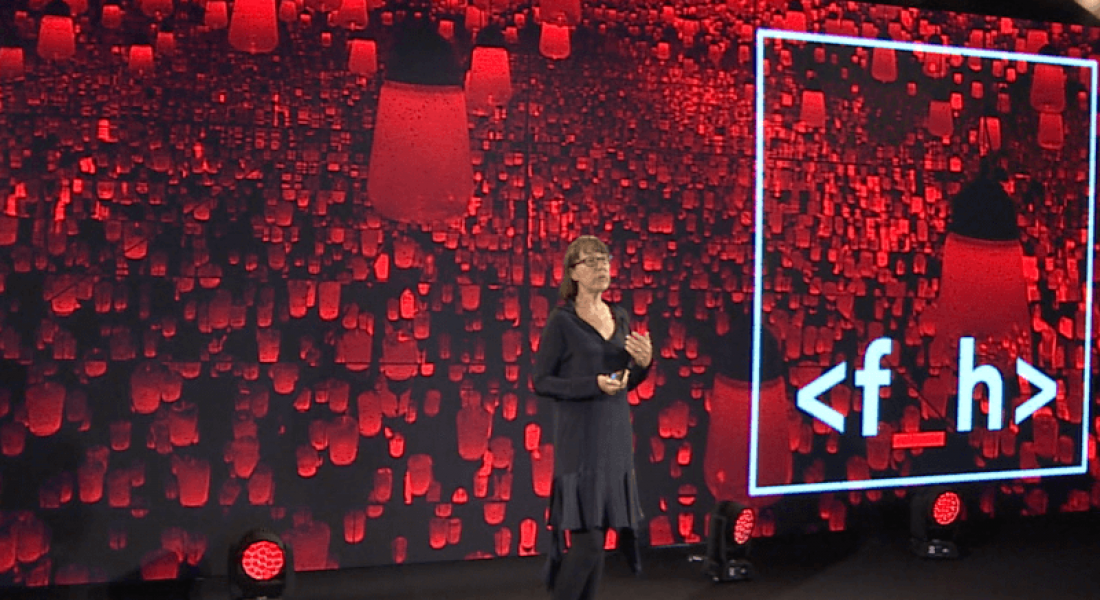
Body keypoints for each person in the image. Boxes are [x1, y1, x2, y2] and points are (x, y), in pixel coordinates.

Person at [534, 235, 653, 600]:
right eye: (593, 261)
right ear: (573, 272)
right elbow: (541, 380)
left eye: (605, 260)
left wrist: (645, 365)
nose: (602, 267)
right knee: (587, 543)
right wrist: (592, 384)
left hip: (614, 437)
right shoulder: (562, 321)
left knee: (598, 543)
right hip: (580, 441)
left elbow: (626, 380)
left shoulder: (619, 316)